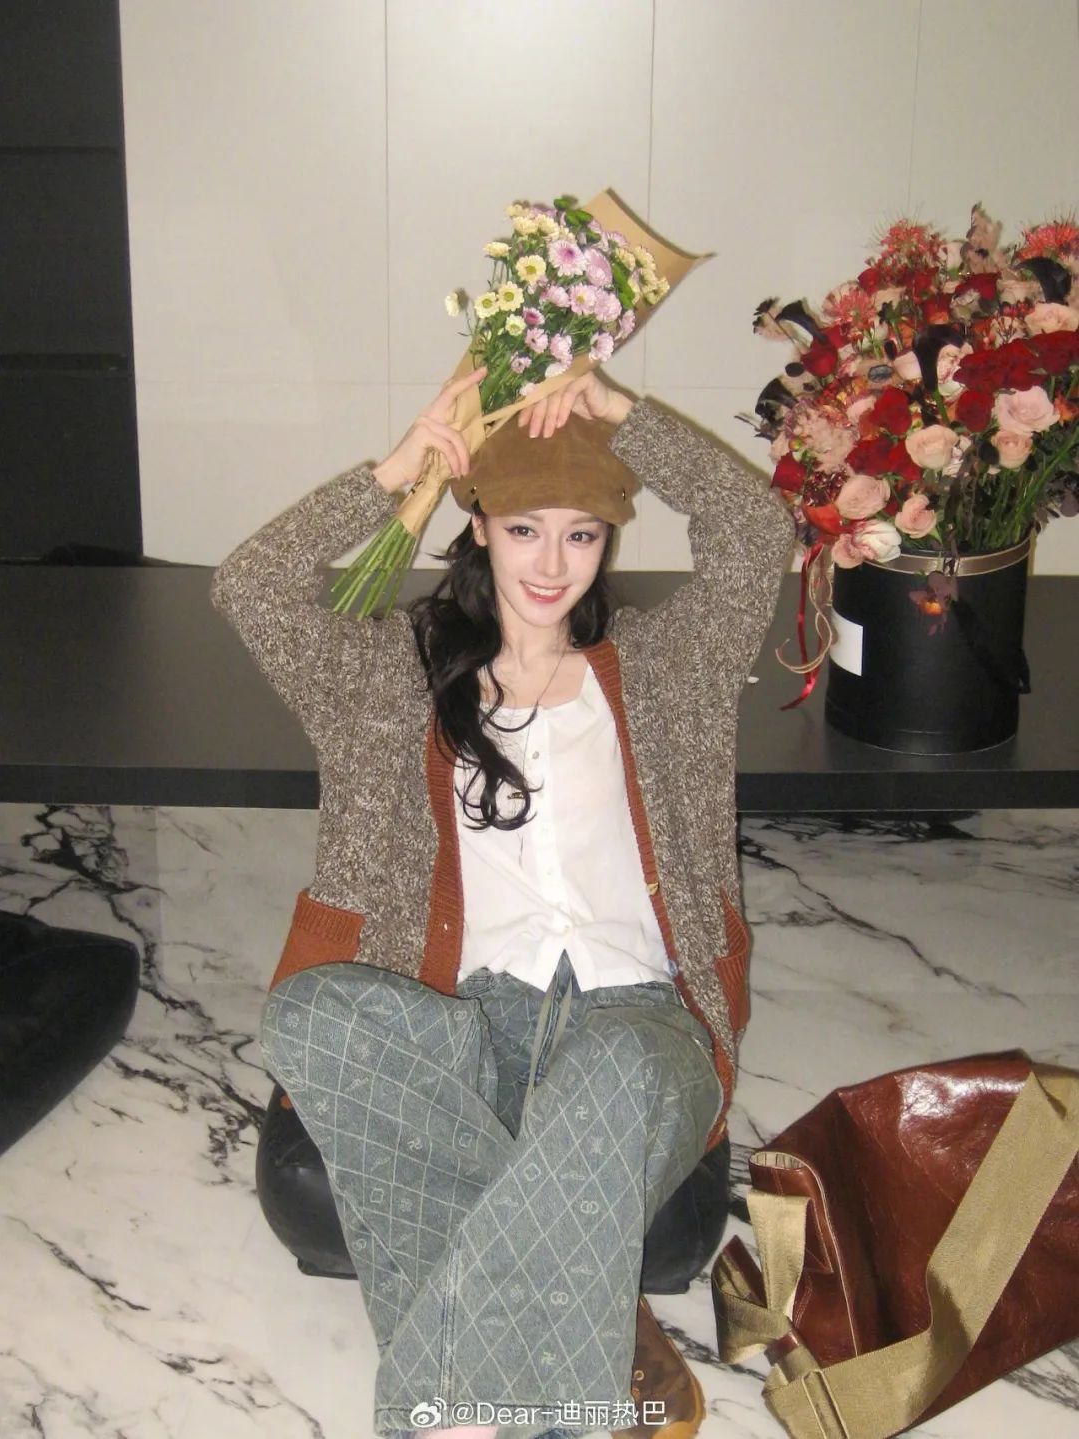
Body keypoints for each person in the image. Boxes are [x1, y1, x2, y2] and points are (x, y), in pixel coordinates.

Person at [210, 363, 795, 1439]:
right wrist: (398, 472)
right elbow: (250, 587)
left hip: (642, 1024)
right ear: (478, 526)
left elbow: (759, 534)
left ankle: (454, 1412)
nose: (553, 563)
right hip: (468, 1021)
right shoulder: (390, 681)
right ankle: (565, 1347)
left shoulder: (671, 671)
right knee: (311, 1013)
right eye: (526, 529)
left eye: (582, 535)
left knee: (613, 1077)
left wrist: (623, 412)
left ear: (608, 543)